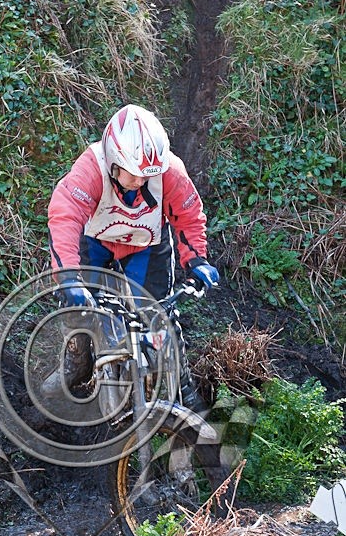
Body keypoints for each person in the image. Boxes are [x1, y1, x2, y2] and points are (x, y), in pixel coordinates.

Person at [42, 104, 219, 411]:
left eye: (148, 176)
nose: (141, 182)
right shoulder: (91, 168)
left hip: (146, 246)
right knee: (77, 308)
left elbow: (189, 216)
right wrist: (68, 277)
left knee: (159, 315)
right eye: (134, 175)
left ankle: (181, 386)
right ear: (114, 161)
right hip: (96, 243)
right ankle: (77, 362)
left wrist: (197, 261)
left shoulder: (170, 171)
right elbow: (65, 217)